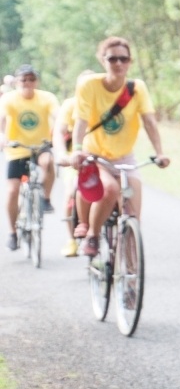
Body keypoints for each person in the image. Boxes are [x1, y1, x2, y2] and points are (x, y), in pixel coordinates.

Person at [70, 37, 170, 257]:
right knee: (110, 189)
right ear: (102, 60)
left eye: (123, 59)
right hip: (96, 156)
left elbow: (149, 122)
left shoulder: (137, 88)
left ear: (130, 62)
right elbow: (81, 121)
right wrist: (77, 148)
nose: (118, 63)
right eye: (112, 59)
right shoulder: (89, 85)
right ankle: (93, 235)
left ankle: (131, 271)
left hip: (125, 157)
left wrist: (159, 152)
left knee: (133, 217)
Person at [0, 64, 59, 251]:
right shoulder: (9, 99)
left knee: (48, 161)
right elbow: (2, 119)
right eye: (23, 79)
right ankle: (12, 232)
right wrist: (3, 137)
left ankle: (45, 199)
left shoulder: (47, 97)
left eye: (31, 79)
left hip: (40, 145)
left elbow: (58, 117)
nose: (27, 83)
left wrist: (60, 135)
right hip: (17, 149)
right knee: (12, 191)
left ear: (36, 81)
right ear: (17, 81)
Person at [52, 69, 95, 257]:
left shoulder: (103, 102)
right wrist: (62, 154)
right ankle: (71, 239)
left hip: (99, 157)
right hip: (74, 159)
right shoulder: (70, 105)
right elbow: (59, 132)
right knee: (71, 192)